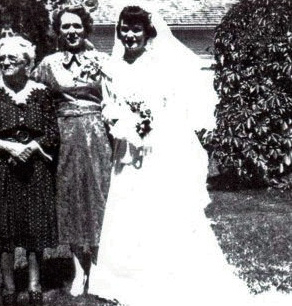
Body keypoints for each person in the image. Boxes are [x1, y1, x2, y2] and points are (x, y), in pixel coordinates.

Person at [87, 4, 292, 306]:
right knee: (128, 206)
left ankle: (163, 274)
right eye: (125, 29)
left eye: (136, 29)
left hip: (155, 148)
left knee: (159, 209)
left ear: (147, 32)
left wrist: (145, 122)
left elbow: (166, 106)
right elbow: (110, 103)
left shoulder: (159, 64)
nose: (130, 35)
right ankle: (125, 276)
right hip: (126, 150)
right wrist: (115, 117)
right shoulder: (112, 66)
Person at [0, 4, 112, 296]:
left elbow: (120, 91)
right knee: (69, 199)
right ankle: (78, 269)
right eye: (65, 26)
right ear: (58, 31)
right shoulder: (48, 64)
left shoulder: (103, 59)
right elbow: (27, 88)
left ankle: (100, 265)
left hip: (98, 135)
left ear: (86, 29)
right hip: (63, 137)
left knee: (99, 197)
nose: (71, 31)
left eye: (77, 26)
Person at [0, 36, 59, 306]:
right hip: (0, 167)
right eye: (2, 58)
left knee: (35, 225)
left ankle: (34, 283)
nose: (6, 62)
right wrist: (9, 147)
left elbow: (52, 132)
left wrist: (32, 147)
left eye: (13, 58)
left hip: (35, 168)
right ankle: (8, 286)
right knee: (3, 225)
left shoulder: (42, 93)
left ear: (27, 63)